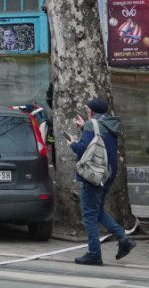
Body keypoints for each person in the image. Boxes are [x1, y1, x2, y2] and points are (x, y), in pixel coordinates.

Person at [67, 98, 136, 265]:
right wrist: (85, 127)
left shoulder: (92, 125)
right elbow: (99, 140)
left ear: (91, 111)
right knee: (97, 211)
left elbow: (83, 149)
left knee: (89, 215)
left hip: (93, 175)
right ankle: (123, 239)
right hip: (108, 174)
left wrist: (72, 143)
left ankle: (94, 254)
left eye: (88, 109)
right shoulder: (109, 124)